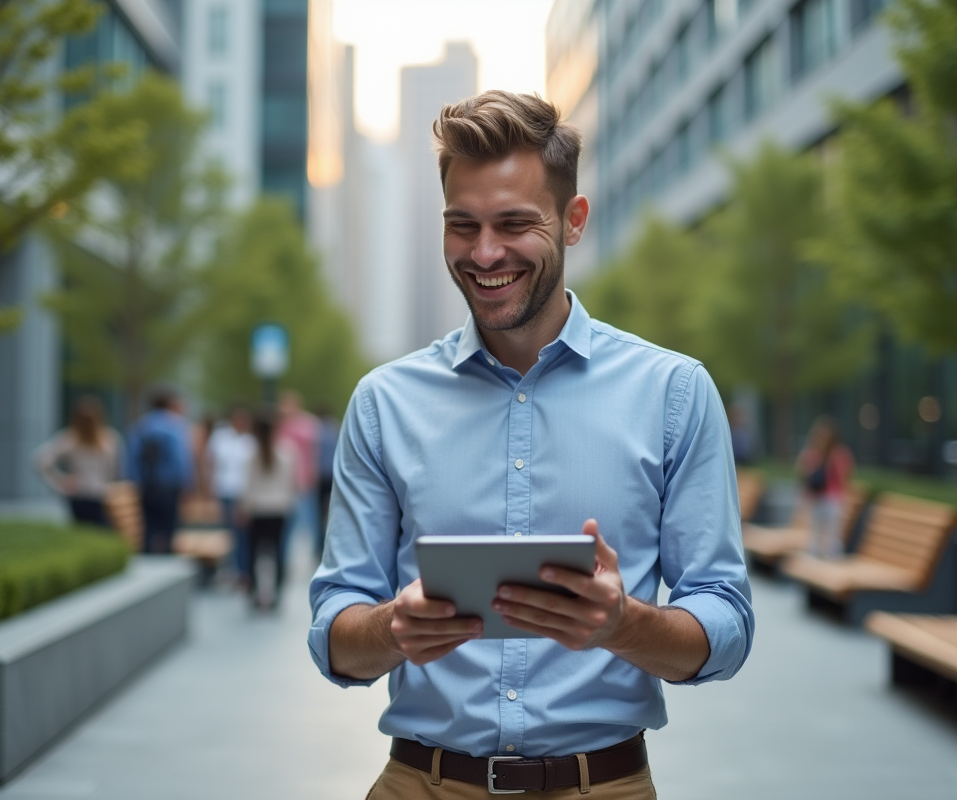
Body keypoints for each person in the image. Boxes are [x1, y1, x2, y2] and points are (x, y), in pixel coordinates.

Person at [308, 91, 753, 799]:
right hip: (419, 783)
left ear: (573, 221)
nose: (485, 253)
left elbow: (725, 620)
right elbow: (333, 633)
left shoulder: (673, 393)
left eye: (515, 224)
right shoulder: (383, 403)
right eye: (463, 226)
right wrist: (395, 628)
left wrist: (623, 624)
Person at [239, 413, 298, 609]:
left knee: (254, 553)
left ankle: (255, 593)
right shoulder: (287, 452)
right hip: (279, 509)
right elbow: (291, 484)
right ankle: (277, 594)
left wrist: (244, 507)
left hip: (257, 510)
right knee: (278, 553)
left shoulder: (250, 454)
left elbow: (248, 486)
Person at [34, 396, 123, 526]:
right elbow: (114, 472)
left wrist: (60, 482)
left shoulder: (71, 439)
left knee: (85, 533)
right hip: (95, 495)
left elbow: (41, 460)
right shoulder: (108, 439)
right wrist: (61, 483)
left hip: (83, 496)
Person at [126, 389, 193, 553]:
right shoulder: (175, 425)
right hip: (169, 486)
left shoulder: (140, 425)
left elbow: (131, 458)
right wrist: (187, 483)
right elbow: (181, 458)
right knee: (169, 527)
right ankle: (167, 555)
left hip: (147, 485)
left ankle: (148, 555)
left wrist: (135, 481)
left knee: (149, 525)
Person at [206, 407, 257, 582]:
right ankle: (230, 569)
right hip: (224, 490)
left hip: (242, 494)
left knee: (241, 533)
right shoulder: (220, 437)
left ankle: (242, 570)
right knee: (228, 533)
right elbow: (211, 463)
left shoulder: (250, 441)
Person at [797, 415, 855, 560]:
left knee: (832, 537)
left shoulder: (838, 453)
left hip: (832, 500)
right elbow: (803, 474)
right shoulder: (812, 453)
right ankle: (815, 564)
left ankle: (832, 563)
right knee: (816, 536)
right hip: (818, 499)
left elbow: (844, 478)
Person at [276, 390, 322, 558]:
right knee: (288, 523)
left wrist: (314, 472)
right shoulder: (279, 424)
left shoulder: (308, 423)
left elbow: (315, 452)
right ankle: (284, 555)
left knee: (310, 520)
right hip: (284, 482)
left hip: (304, 479)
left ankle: (317, 552)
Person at [313, 402, 339, 561]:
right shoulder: (334, 428)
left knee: (317, 515)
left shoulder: (315, 431)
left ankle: (319, 547)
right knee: (332, 512)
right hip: (332, 475)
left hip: (318, 476)